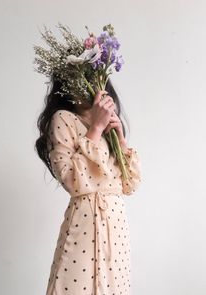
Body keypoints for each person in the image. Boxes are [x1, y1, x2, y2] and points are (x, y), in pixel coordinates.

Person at [35, 76, 142, 295]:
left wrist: (120, 140)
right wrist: (96, 127)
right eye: (77, 78)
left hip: (116, 226)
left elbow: (129, 185)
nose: (84, 85)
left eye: (91, 78)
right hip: (86, 222)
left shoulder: (110, 126)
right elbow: (72, 180)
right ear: (64, 86)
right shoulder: (62, 118)